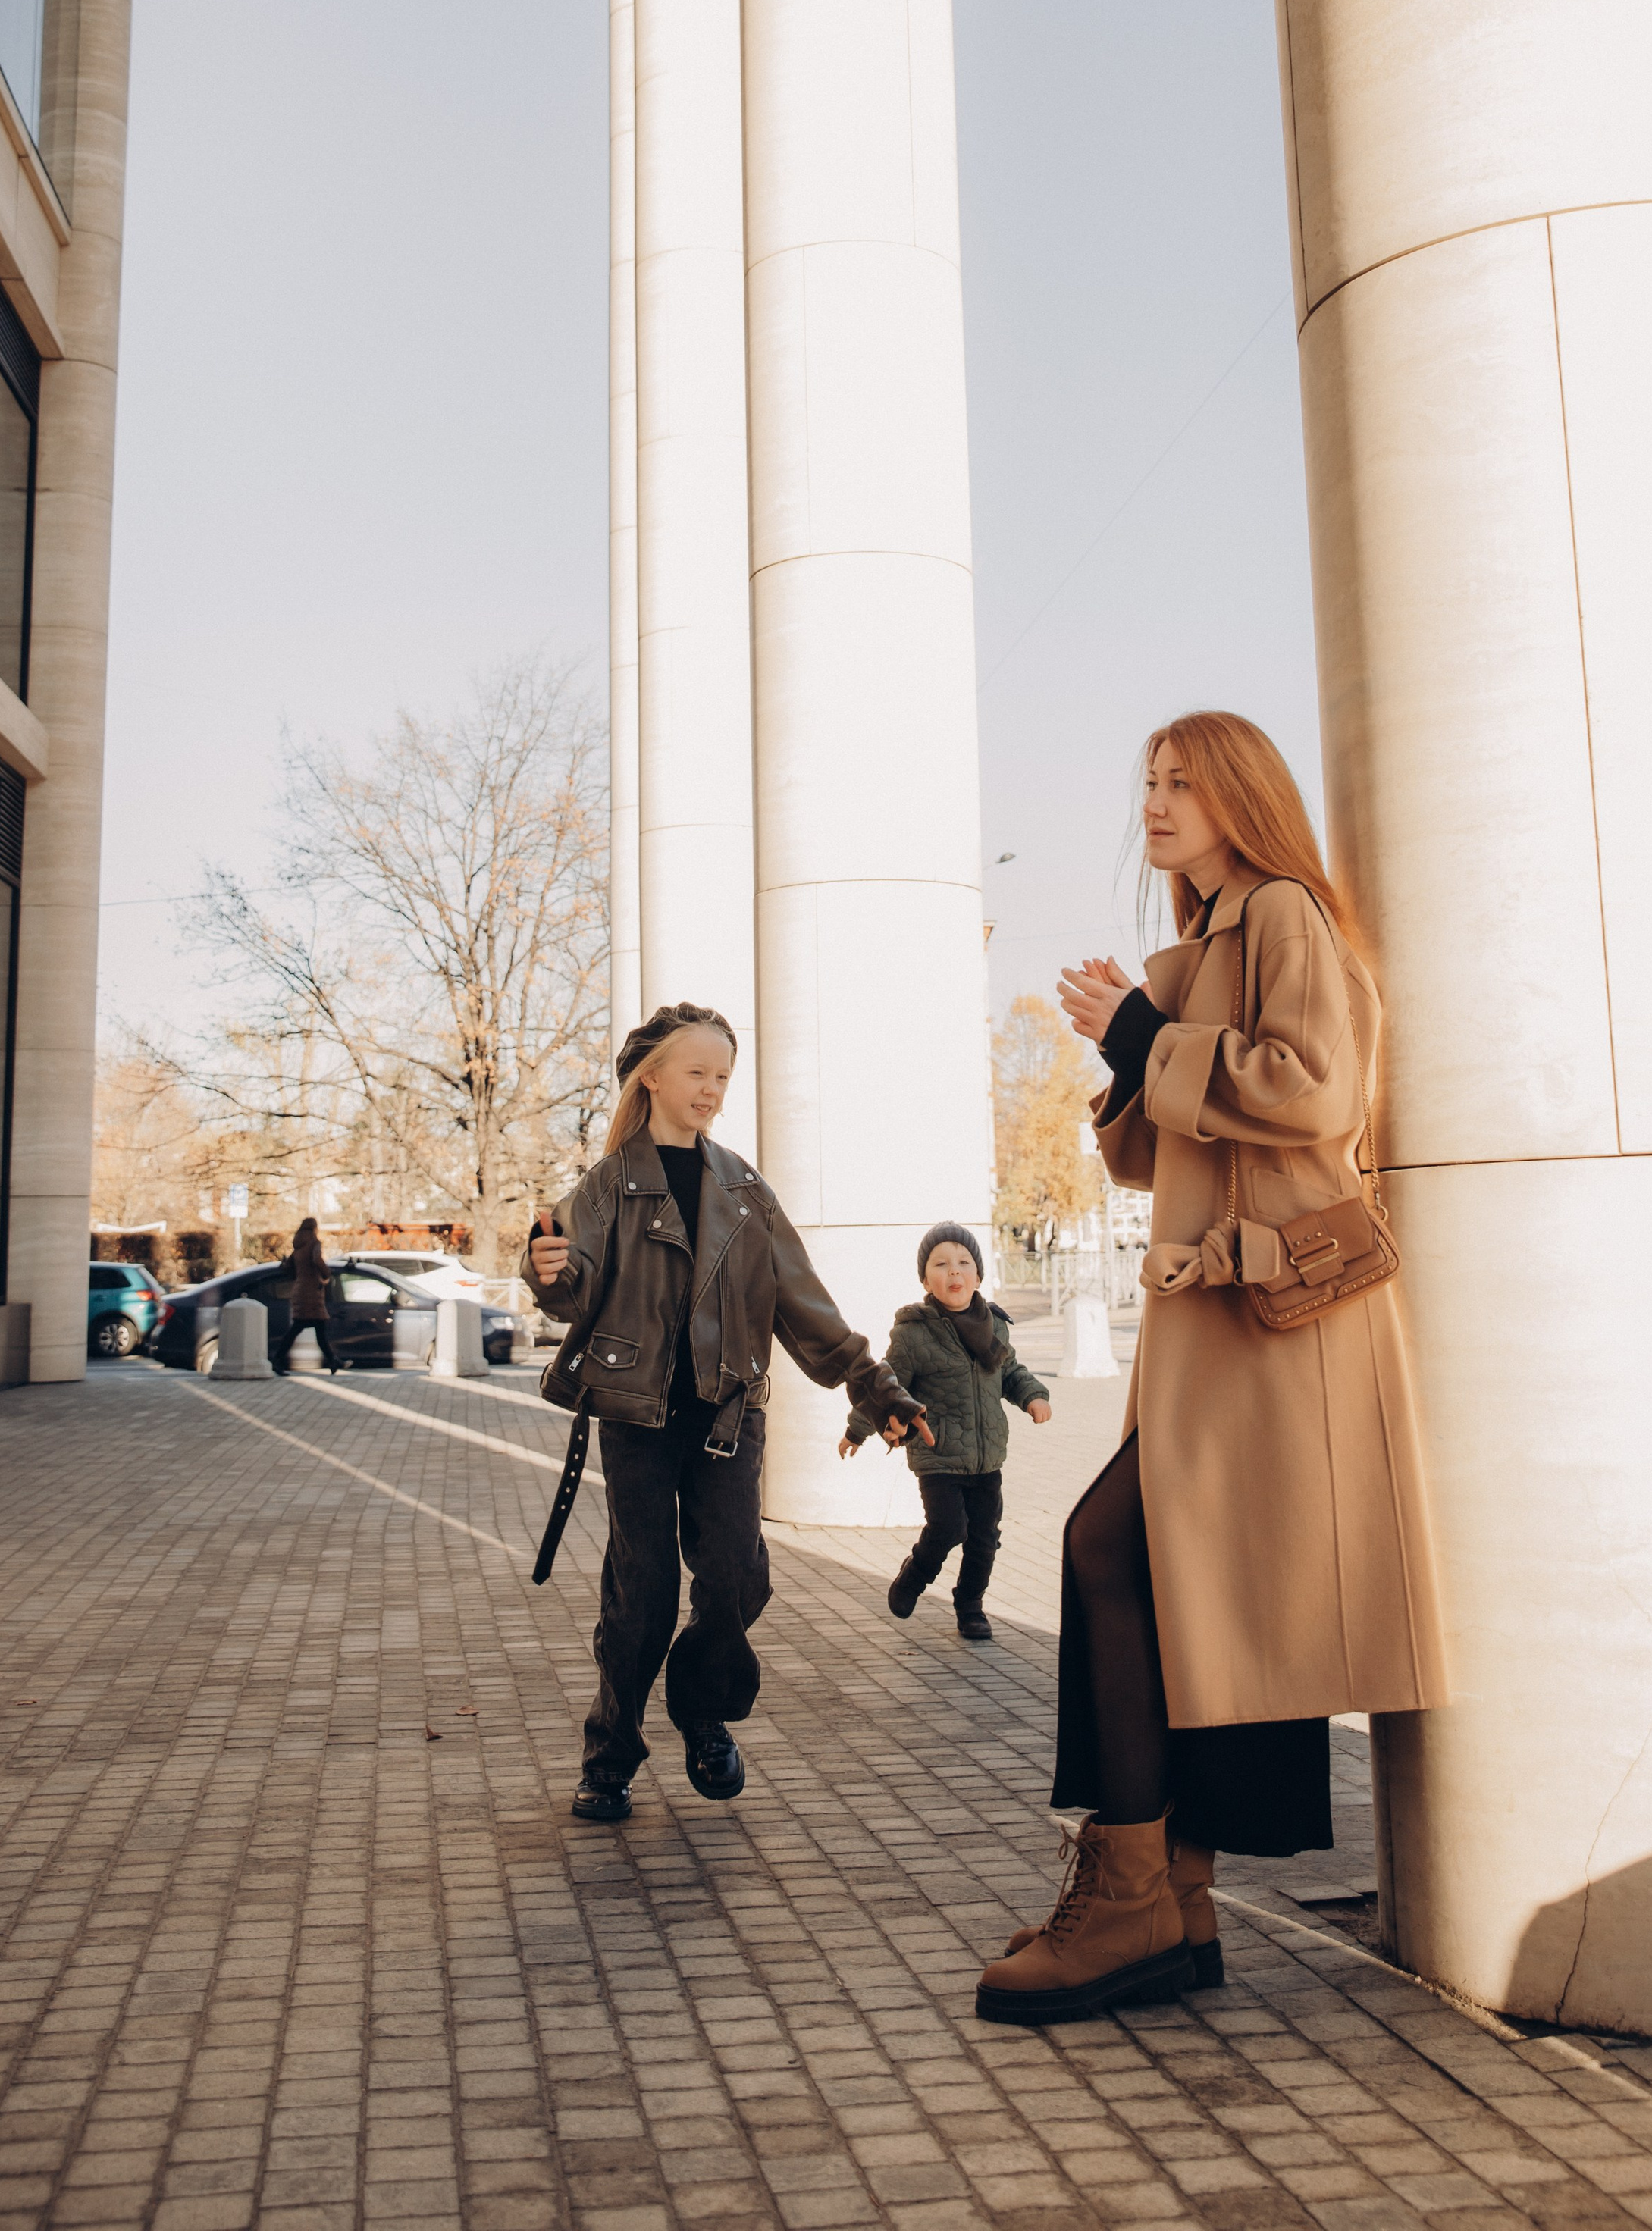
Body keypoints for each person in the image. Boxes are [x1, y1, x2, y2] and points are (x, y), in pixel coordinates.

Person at [976, 711, 1447, 2029]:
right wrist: (1127, 1043)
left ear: (1244, 794)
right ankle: (1167, 1903)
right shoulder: (1208, 945)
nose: (1158, 803)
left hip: (1270, 1328)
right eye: (1148, 782)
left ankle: (1135, 1894)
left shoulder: (1284, 911)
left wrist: (1141, 1029)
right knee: (1166, 1583)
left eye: (1183, 781)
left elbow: (1313, 1092)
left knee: (1108, 1551)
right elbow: (1148, 1161)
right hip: (1221, 1338)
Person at [528, 1002, 929, 1822]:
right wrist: (545, 1268)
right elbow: (572, 1290)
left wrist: (874, 1389)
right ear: (651, 1077)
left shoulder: (745, 1189)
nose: (712, 1090)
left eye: (722, 1076)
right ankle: (611, 1752)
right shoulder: (607, 1186)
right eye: (696, 1073)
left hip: (727, 1421)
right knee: (640, 1596)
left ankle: (700, 1710)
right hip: (637, 1419)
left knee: (738, 1580)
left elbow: (803, 1305)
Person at [839, 1224, 1051, 1644]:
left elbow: (1009, 1371)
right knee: (949, 1527)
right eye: (941, 1264)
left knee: (985, 1538)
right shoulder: (914, 1333)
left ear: (977, 1277)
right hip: (937, 1456)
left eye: (963, 1263)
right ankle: (915, 1573)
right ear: (926, 1281)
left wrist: (1033, 1397)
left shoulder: (994, 1326)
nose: (954, 1272)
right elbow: (886, 1385)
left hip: (986, 1456)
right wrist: (857, 1431)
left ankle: (970, 1606)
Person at [273, 1217, 337, 1375]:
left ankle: (333, 1361)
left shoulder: (298, 1246)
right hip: (312, 1293)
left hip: (300, 1291)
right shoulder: (314, 1243)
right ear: (315, 1228)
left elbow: (288, 1268)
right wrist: (327, 1274)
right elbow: (317, 1259)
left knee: (316, 1328)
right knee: (300, 1328)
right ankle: (277, 1361)